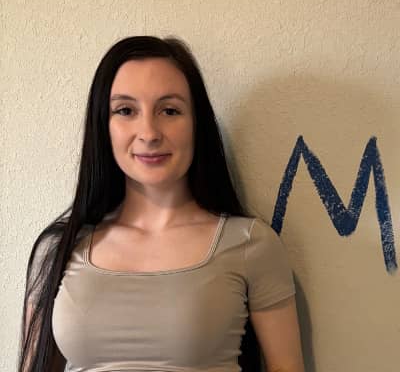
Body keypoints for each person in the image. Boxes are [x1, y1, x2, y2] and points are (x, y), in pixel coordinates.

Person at [19, 36, 305, 372]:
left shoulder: (251, 244)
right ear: (103, 125)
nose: (149, 133)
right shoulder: (59, 249)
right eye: (126, 111)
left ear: (196, 124)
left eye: (169, 111)